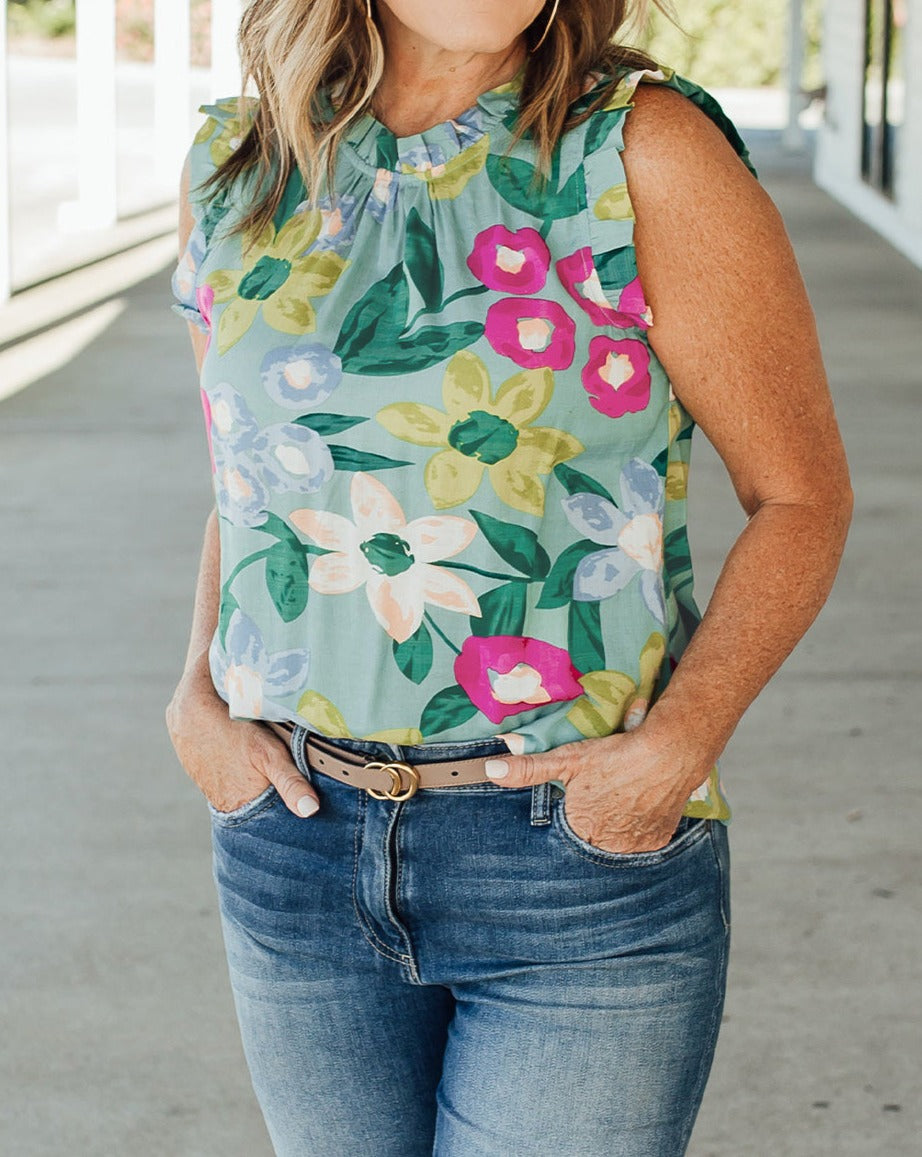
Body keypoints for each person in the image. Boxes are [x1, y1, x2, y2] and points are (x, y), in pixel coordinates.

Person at [166, 1, 852, 1153]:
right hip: (292, 835)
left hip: (567, 855)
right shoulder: (238, 165)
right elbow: (255, 480)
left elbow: (801, 497)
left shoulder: (637, 151)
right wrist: (194, 690)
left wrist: (675, 747)